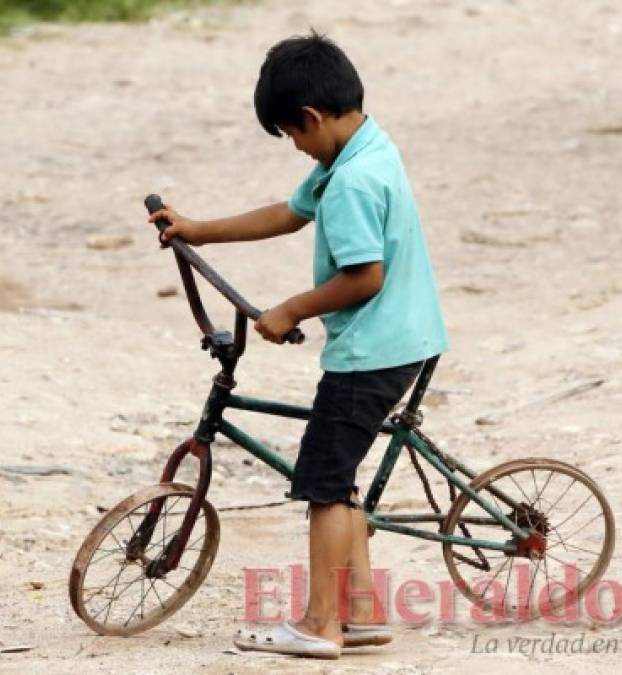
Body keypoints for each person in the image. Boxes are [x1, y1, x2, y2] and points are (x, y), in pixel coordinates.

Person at [149, 31, 449, 660]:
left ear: (310, 118)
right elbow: (288, 212)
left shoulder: (351, 184)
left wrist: (290, 309)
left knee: (324, 484)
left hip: (373, 350)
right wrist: (199, 229)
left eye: (291, 134)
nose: (295, 146)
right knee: (339, 477)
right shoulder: (361, 148)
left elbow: (365, 277)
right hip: (404, 337)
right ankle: (360, 613)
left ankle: (319, 625)